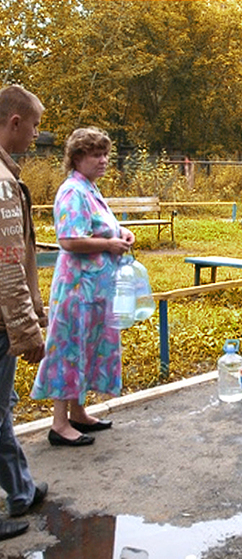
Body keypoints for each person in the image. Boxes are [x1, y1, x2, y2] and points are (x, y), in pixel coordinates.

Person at [31, 127, 135, 447]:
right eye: (96, 155)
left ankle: (79, 413)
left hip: (94, 289)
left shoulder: (89, 188)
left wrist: (122, 234)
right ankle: (59, 424)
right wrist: (109, 244)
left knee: (87, 349)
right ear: (77, 158)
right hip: (76, 289)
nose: (104, 160)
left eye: (105, 154)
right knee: (68, 350)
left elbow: (99, 226)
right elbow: (69, 239)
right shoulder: (72, 190)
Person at [0, 84, 49, 535]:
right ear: (15, 122)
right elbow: (9, 265)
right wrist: (27, 329)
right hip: (0, 321)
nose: (36, 134)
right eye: (33, 126)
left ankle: (20, 490)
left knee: (3, 406)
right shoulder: (2, 182)